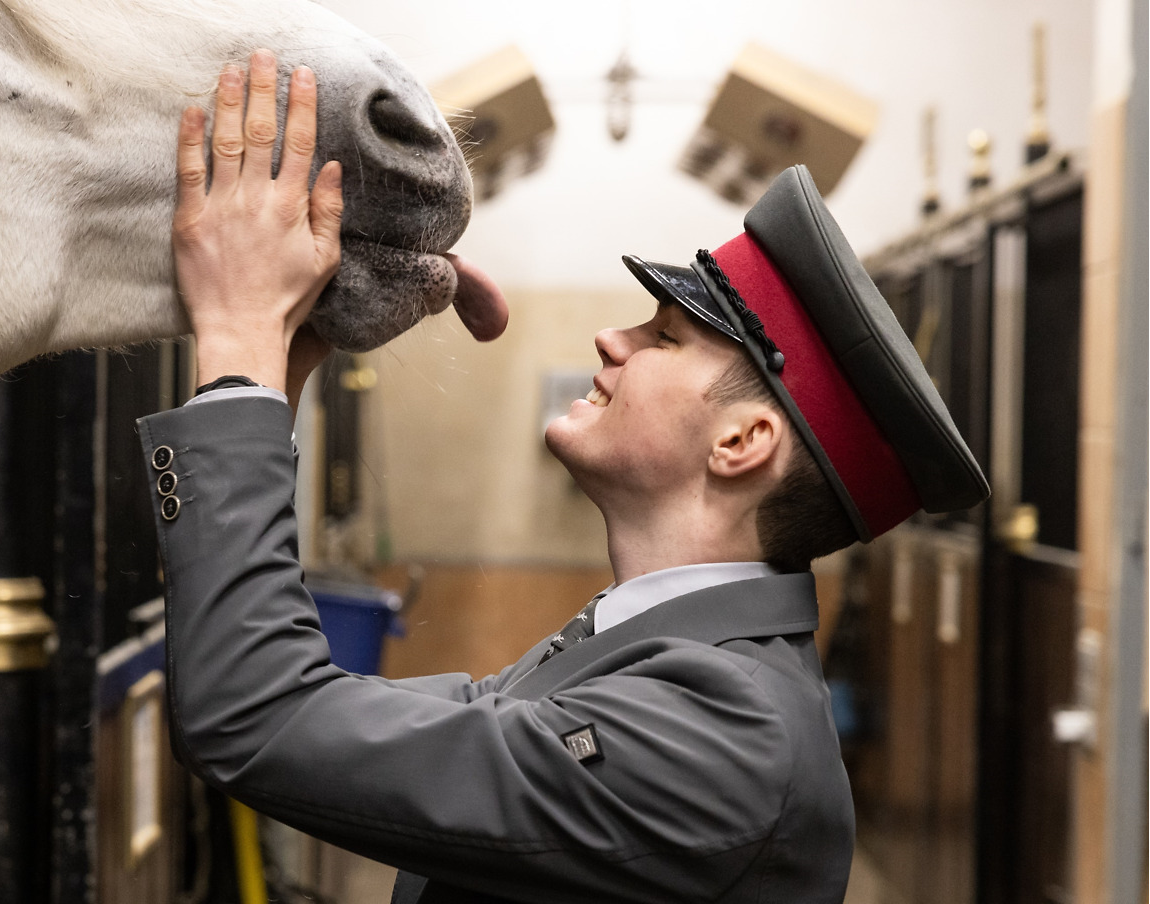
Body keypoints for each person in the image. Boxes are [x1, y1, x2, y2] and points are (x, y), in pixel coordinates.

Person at [139, 54, 989, 904]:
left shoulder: (723, 739)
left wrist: (240, 337)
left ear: (743, 442)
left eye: (663, 338)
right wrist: (280, 358)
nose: (610, 342)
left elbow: (259, 715)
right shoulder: (662, 655)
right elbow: (340, 726)